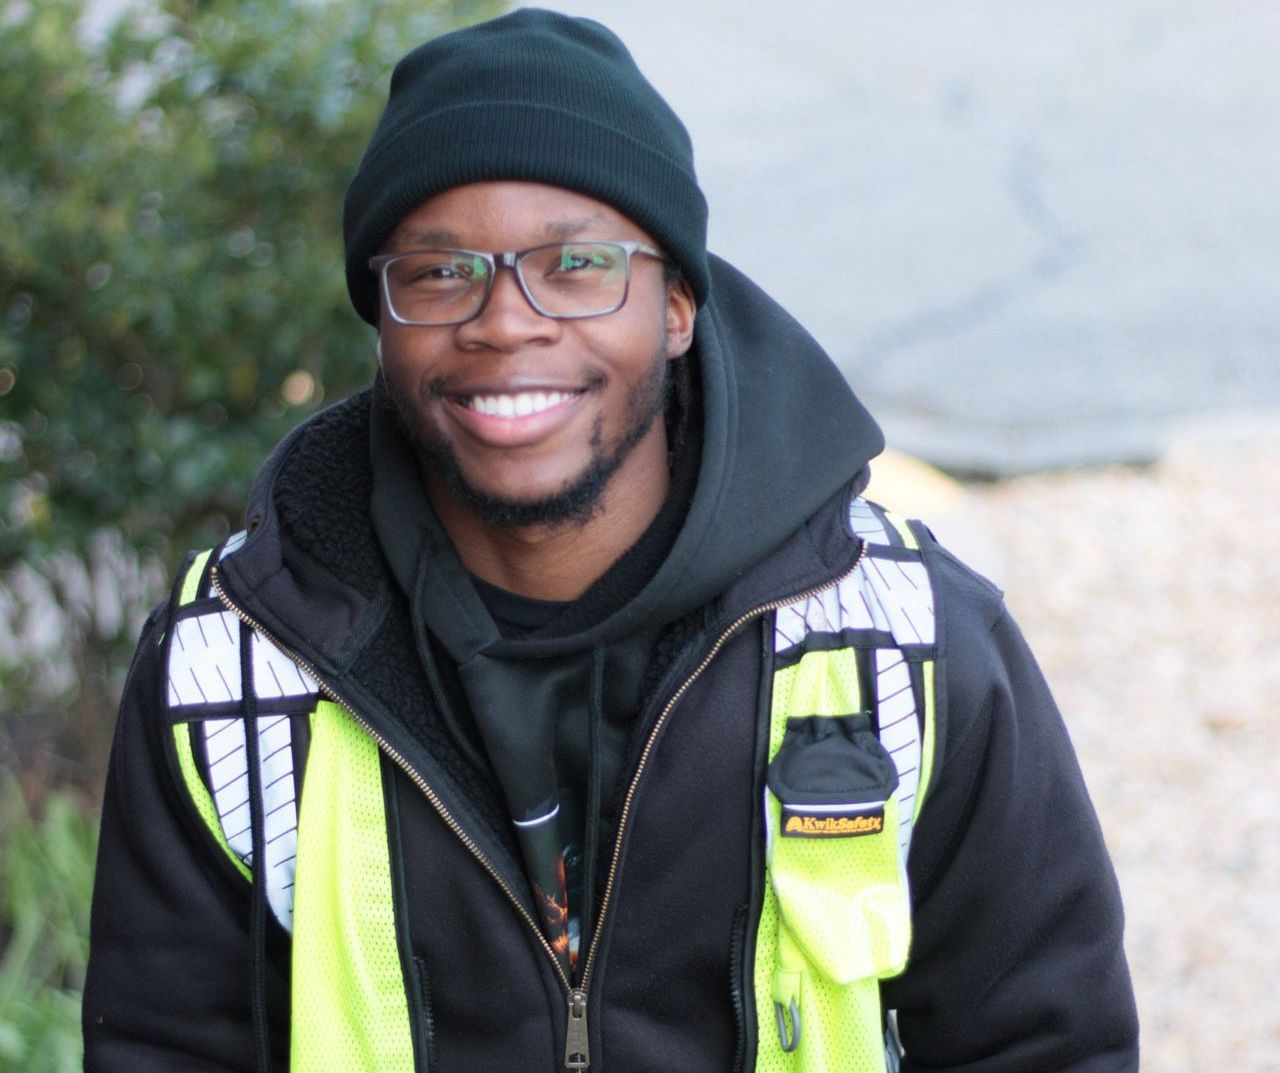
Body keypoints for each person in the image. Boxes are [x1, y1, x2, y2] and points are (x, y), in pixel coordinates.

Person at [82, 9, 1139, 1072]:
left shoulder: (900, 640)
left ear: (675, 304)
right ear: (384, 320)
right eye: (440, 272)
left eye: (576, 263)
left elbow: (1044, 1043)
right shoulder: (232, 673)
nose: (505, 321)